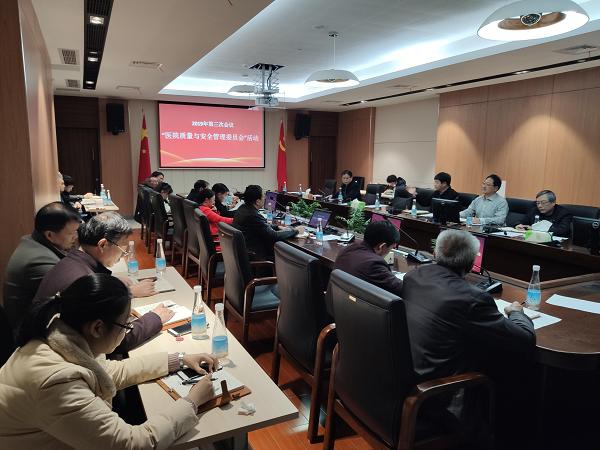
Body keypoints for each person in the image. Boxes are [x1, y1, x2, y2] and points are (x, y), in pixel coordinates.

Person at [0, 273, 217, 449]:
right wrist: (192, 402)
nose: (128, 330)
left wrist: (180, 359)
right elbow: (132, 444)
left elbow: (110, 371)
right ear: (98, 328)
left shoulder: (59, 335)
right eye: (126, 325)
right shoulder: (57, 383)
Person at [401, 229, 535, 381]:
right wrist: (516, 312)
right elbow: (525, 339)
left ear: (435, 254)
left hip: (406, 369)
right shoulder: (473, 299)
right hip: (439, 384)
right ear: (472, 264)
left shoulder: (412, 276)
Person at [35, 212, 171, 353]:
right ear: (103, 244)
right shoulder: (83, 282)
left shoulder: (71, 262)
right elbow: (113, 343)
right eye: (123, 251)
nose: (122, 257)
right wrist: (155, 319)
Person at [3, 202, 81, 329]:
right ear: (50, 235)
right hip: (27, 333)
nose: (75, 237)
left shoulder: (34, 240)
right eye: (71, 233)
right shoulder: (40, 262)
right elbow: (79, 295)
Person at [233, 185, 303, 261]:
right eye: (263, 197)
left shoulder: (243, 208)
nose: (265, 198)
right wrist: (295, 230)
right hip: (256, 256)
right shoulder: (253, 215)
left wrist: (277, 227)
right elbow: (274, 235)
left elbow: (261, 226)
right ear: (257, 201)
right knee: (290, 255)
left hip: (246, 251)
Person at [332, 220, 403, 296]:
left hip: (336, 299)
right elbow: (403, 289)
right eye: (390, 248)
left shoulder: (347, 249)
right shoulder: (374, 264)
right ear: (381, 246)